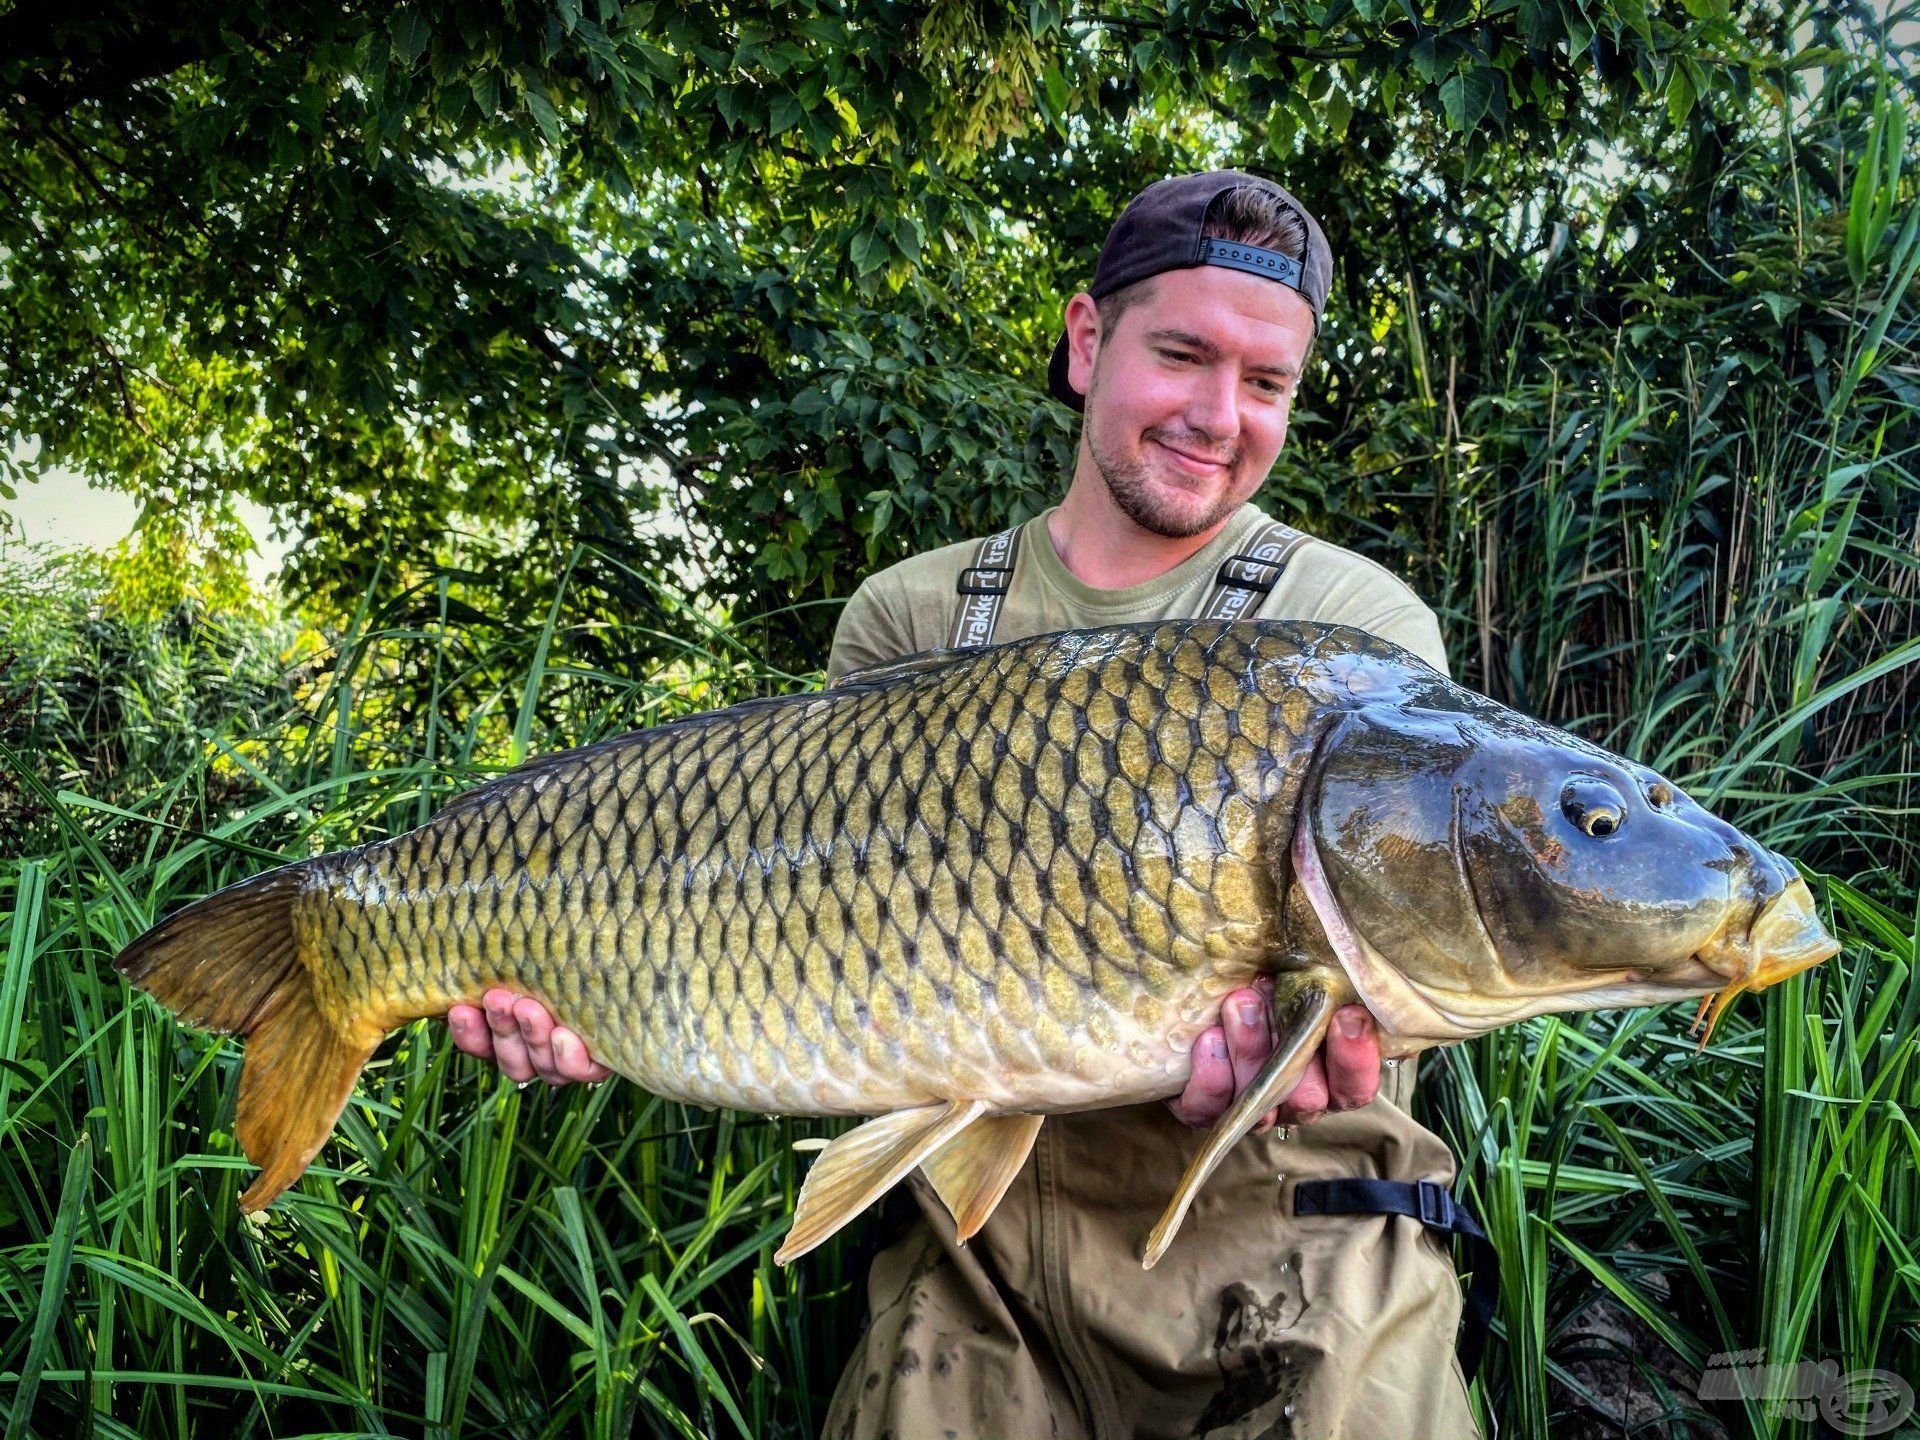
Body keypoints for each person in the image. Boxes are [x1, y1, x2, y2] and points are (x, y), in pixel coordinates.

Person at [449, 171, 1484, 1440]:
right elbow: (807, 938)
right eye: (1182, 356)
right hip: (982, 1257)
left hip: (1297, 1245)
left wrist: (1338, 1043)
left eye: (1265, 384)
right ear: (1088, 339)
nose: (1220, 416)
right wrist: (597, 992)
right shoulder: (913, 616)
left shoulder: (1354, 632)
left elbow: (1421, 947)